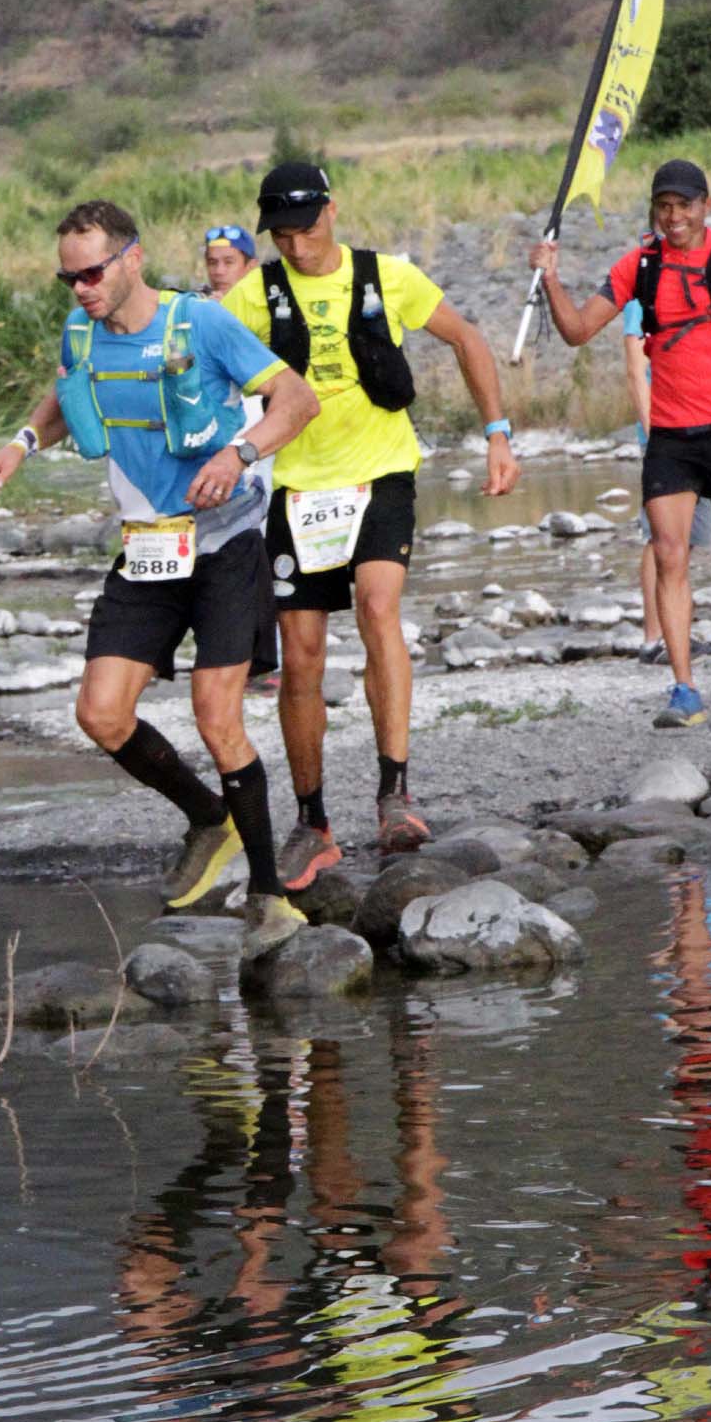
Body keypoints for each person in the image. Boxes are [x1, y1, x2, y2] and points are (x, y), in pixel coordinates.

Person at [0, 198, 320, 961]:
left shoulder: (202, 324)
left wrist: (241, 454)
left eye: (92, 272)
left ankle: (271, 894)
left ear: (132, 257)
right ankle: (208, 818)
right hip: (148, 550)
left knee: (215, 714)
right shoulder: (81, 334)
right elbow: (68, 398)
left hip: (227, 545)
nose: (80, 288)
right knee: (100, 713)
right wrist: (20, 442)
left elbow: (297, 399)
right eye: (68, 277)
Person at [223, 160, 520, 888]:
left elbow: (468, 339)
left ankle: (395, 794)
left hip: (381, 472)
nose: (296, 246)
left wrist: (498, 432)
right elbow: (194, 358)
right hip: (294, 488)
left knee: (379, 608)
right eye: (282, 234)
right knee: (302, 653)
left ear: (332, 210)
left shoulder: (388, 276)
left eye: (306, 227)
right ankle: (312, 821)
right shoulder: (252, 294)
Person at [530, 158, 711, 729]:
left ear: (706, 204)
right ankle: (684, 689)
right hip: (670, 436)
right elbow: (578, 331)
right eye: (664, 206)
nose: (674, 216)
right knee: (670, 555)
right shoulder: (639, 264)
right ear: (654, 210)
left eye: (684, 205)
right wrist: (550, 278)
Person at [623, 293, 711, 664]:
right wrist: (653, 434)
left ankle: (677, 632)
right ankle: (654, 638)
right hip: (664, 431)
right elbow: (635, 369)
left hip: (706, 427)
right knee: (661, 537)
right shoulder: (640, 300)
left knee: (689, 537)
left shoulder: (700, 289)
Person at [202, 223, 257, 299]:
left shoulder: (268, 304)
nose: (219, 271)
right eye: (212, 263)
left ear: (250, 267)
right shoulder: (196, 304)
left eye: (228, 262)